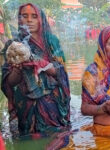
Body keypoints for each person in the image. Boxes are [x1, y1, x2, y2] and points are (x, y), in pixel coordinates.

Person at [1, 3, 70, 136]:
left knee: (55, 138)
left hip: (52, 104)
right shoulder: (14, 45)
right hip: (25, 104)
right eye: (24, 16)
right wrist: (17, 70)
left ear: (41, 19)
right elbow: (8, 83)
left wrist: (39, 63)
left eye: (34, 16)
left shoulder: (51, 42)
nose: (29, 20)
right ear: (19, 19)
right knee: (29, 139)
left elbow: (60, 73)